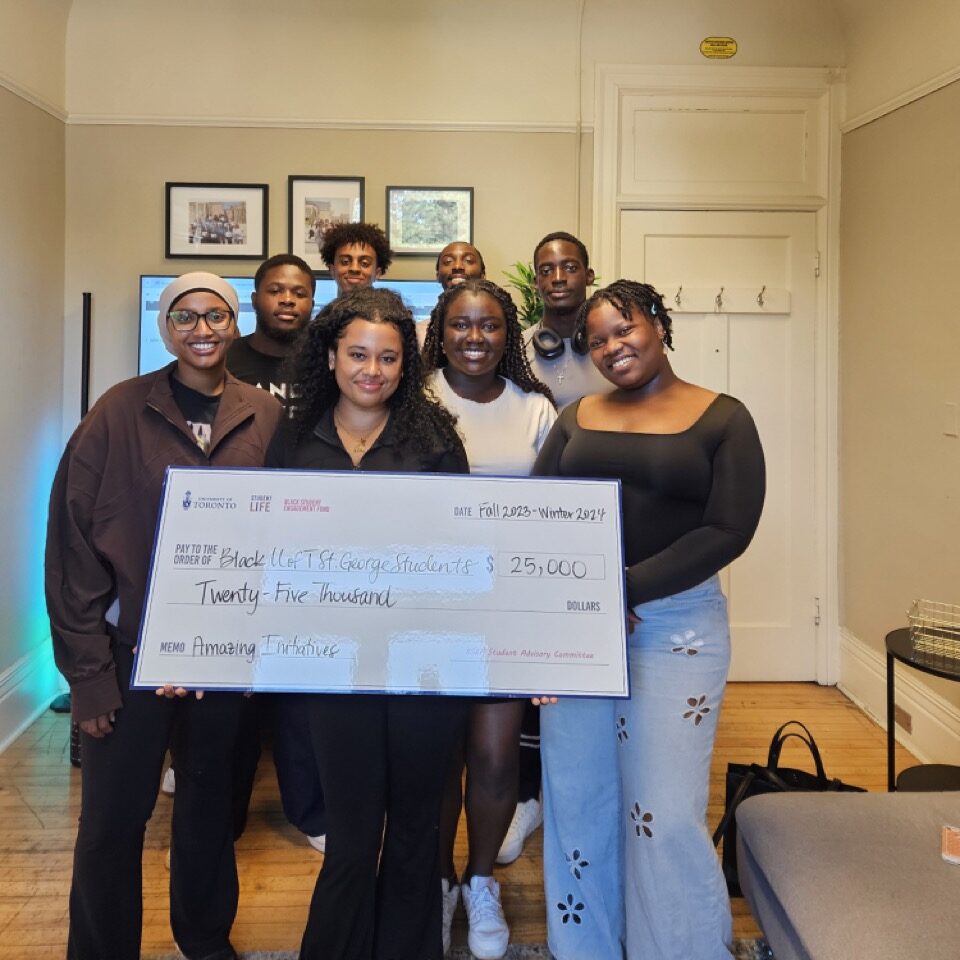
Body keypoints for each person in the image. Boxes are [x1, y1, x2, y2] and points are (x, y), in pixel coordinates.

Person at [45, 273, 282, 960]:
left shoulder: (265, 418)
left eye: (216, 314)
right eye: (185, 315)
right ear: (164, 324)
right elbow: (72, 548)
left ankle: (205, 938)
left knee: (209, 813)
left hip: (222, 661)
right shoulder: (117, 412)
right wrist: (87, 674)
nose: (202, 327)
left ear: (235, 324)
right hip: (127, 654)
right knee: (113, 821)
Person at [532, 280, 766, 960]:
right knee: (578, 800)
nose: (611, 347)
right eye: (597, 339)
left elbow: (728, 529)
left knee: (662, 815)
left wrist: (625, 589)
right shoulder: (576, 418)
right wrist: (570, 608)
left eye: (624, 330)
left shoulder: (723, 418)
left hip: (675, 627)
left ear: (660, 324)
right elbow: (537, 517)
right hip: (579, 627)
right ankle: (586, 949)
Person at [268, 287, 471, 960]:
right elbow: (263, 542)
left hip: (422, 657)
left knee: (415, 830)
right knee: (353, 835)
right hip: (332, 663)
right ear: (330, 356)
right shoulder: (291, 438)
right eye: (358, 354)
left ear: (404, 366)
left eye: (388, 358)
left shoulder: (436, 440)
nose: (372, 371)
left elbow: (460, 555)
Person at [422, 279, 556, 959]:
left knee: (497, 753)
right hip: (429, 607)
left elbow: (562, 513)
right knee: (441, 755)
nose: (475, 338)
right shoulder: (413, 401)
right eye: (461, 325)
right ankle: (440, 879)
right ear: (439, 332)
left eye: (491, 326)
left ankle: (481, 881)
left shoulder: (536, 410)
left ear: (509, 335)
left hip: (507, 607)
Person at [227, 252, 328, 851]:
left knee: (297, 682)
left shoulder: (324, 355)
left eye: (298, 292)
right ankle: (221, 808)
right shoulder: (229, 357)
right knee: (237, 680)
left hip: (310, 527)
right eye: (275, 290)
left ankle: (309, 811)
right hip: (241, 528)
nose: (287, 301)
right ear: (256, 297)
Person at [524, 231, 613, 408]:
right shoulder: (516, 350)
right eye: (546, 271)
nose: (558, 279)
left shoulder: (615, 345)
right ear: (536, 282)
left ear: (589, 276)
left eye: (570, 268)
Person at [320, 221, 393, 295]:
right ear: (332, 270)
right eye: (345, 262)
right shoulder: (327, 306)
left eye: (364, 263)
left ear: (377, 273)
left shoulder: (390, 306)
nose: (354, 269)